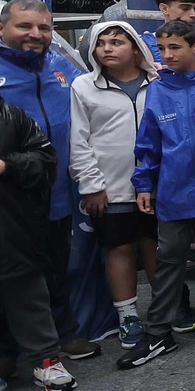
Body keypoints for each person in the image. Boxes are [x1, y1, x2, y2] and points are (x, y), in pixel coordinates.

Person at [0, 0, 89, 361]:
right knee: (6, 276)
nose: (35, 34)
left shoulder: (57, 62)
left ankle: (63, 334)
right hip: (3, 195)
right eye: (24, 26)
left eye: (44, 27)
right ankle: (5, 354)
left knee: (57, 265)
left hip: (54, 186)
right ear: (0, 28)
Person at [121, 20, 195, 367]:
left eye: (175, 48)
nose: (167, 55)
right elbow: (148, 141)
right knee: (169, 255)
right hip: (173, 187)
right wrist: (144, 183)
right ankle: (158, 332)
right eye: (162, 49)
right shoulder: (156, 89)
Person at [70, 21, 159, 350]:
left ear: (136, 47)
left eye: (116, 42)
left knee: (156, 245)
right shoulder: (82, 87)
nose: (107, 48)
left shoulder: (159, 82)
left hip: (159, 185)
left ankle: (166, 309)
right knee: (119, 248)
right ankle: (128, 316)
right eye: (101, 43)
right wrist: (91, 185)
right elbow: (78, 141)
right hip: (110, 185)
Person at [0, 87, 73, 391]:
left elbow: (46, 161)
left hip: (13, 227)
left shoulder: (7, 114)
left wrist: (3, 166)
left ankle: (47, 361)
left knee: (27, 293)